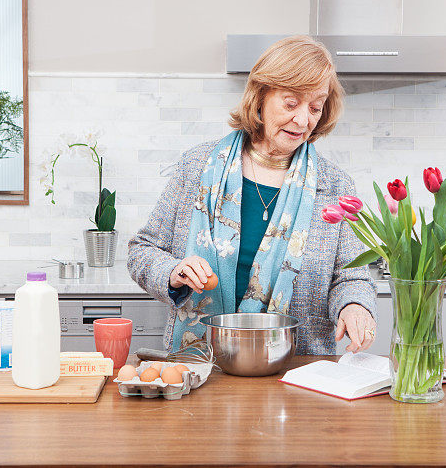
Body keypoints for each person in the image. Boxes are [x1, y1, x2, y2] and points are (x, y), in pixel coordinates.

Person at [127, 35, 377, 355]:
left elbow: (352, 277)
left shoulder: (335, 187)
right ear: (260, 97)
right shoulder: (197, 168)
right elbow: (141, 250)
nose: (303, 120)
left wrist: (356, 307)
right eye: (290, 103)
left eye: (315, 107)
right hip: (202, 368)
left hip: (297, 370)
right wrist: (173, 272)